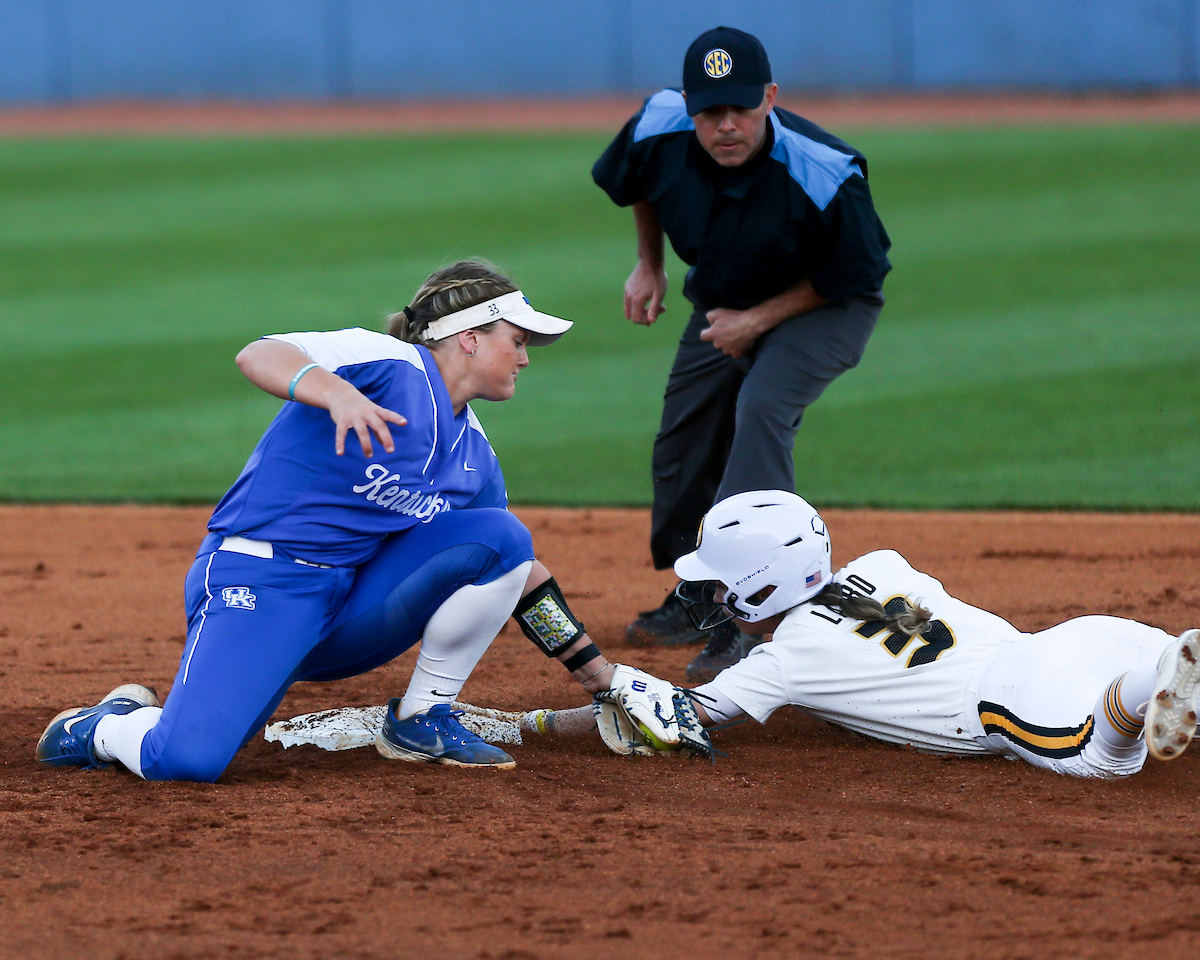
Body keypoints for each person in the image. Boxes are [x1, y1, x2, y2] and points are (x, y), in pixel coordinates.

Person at [35, 261, 685, 782]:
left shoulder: (473, 453)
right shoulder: (387, 363)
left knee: (503, 537)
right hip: (261, 584)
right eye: (516, 341)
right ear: (468, 337)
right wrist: (335, 390)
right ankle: (104, 725)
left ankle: (423, 717)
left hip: (350, 610)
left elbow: (517, 572)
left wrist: (600, 677)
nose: (525, 358)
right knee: (189, 760)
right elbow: (259, 354)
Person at [592, 26, 892, 682]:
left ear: (770, 98)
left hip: (826, 303)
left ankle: (755, 617)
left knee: (760, 410)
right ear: (689, 106)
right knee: (684, 435)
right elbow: (637, 179)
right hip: (728, 293)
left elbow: (857, 275)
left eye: (741, 108)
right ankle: (700, 593)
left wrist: (757, 322)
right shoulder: (658, 126)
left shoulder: (823, 169)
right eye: (710, 111)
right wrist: (650, 265)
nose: (725, 125)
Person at [664, 490, 1200, 778]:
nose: (713, 595)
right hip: (1078, 639)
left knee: (1101, 756)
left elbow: (672, 714)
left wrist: (594, 688)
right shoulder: (884, 565)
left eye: (719, 584)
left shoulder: (783, 663)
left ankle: (1142, 687)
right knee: (1170, 683)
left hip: (1015, 699)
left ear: (760, 588)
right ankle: (1163, 667)